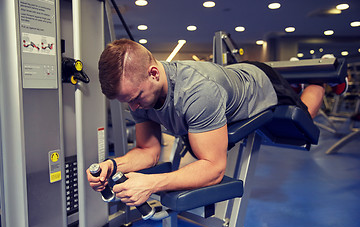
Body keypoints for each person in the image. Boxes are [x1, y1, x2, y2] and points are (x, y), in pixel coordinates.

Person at [87, 39, 328, 207]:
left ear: (153, 73)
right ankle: (298, 85)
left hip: (260, 83)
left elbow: (214, 168)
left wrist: (151, 183)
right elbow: (148, 151)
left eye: (137, 98)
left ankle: (322, 80)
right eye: (127, 102)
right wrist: (113, 165)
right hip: (229, 81)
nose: (134, 108)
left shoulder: (198, 92)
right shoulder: (138, 95)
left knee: (302, 120)